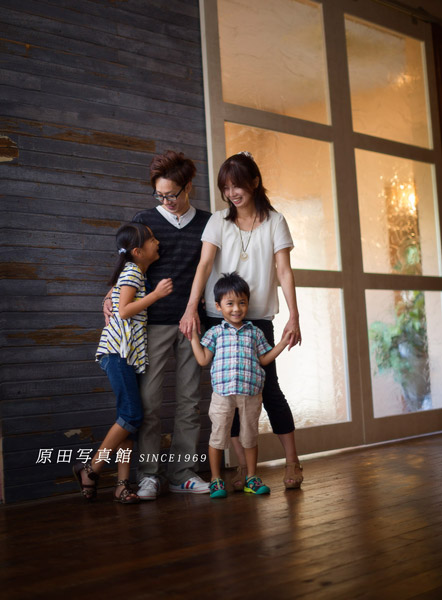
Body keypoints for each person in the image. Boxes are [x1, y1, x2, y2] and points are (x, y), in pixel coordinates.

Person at [180, 151, 304, 491]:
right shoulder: (218, 221)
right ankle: (242, 469)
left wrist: (294, 314)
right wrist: (191, 308)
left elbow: (284, 270)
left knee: (270, 390)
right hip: (219, 317)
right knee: (228, 392)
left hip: (258, 318)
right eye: (225, 187)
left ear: (254, 182)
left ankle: (292, 460)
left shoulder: (275, 221)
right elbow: (204, 265)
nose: (231, 193)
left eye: (237, 186)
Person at [103, 150, 211, 498]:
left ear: (188, 186)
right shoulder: (145, 220)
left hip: (193, 324)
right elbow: (128, 266)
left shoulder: (208, 223)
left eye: (172, 195)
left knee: (189, 401)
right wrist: (111, 293)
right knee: (148, 403)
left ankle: (182, 473)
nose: (166, 201)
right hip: (151, 325)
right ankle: (148, 474)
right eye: (160, 195)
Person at [73, 222, 173, 503]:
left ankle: (121, 485)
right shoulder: (132, 272)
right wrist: (156, 295)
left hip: (127, 354)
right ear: (138, 251)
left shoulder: (136, 272)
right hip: (117, 352)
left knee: (127, 420)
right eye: (152, 239)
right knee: (131, 416)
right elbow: (125, 310)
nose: (157, 242)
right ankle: (91, 469)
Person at [191, 273, 293, 498]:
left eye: (242, 303)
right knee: (218, 437)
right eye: (230, 303)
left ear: (247, 303)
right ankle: (216, 480)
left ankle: (251, 478)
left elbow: (264, 360)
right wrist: (192, 338)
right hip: (222, 395)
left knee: (250, 437)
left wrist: (283, 342)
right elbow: (203, 360)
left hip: (251, 395)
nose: (236, 309)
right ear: (218, 306)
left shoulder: (255, 332)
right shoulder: (215, 332)